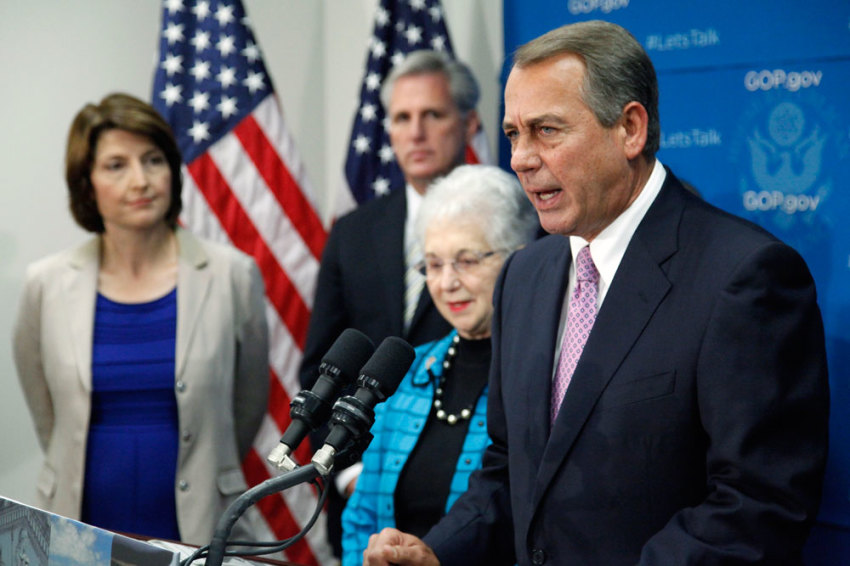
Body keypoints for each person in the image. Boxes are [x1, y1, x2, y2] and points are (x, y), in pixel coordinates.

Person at [362, 20, 830, 566]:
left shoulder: (744, 277)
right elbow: (510, 468)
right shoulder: (523, 277)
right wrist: (438, 551)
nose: (521, 158)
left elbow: (758, 504)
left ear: (630, 128)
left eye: (547, 130)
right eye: (514, 133)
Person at [12, 93, 269, 546]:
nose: (141, 180)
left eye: (153, 160)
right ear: (86, 184)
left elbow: (246, 406)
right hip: (77, 531)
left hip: (202, 528)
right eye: (116, 165)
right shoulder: (46, 284)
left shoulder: (232, 275)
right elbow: (49, 416)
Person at [300, 49, 482, 555]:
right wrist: (353, 470)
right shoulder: (353, 232)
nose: (416, 132)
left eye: (433, 115)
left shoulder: (511, 225)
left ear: (469, 123)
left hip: (471, 504)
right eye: (402, 118)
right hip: (364, 508)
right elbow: (322, 367)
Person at [340, 165, 538, 565]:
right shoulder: (409, 372)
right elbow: (362, 519)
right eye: (433, 264)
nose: (446, 283)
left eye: (466, 260)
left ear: (520, 259)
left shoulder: (544, 373)